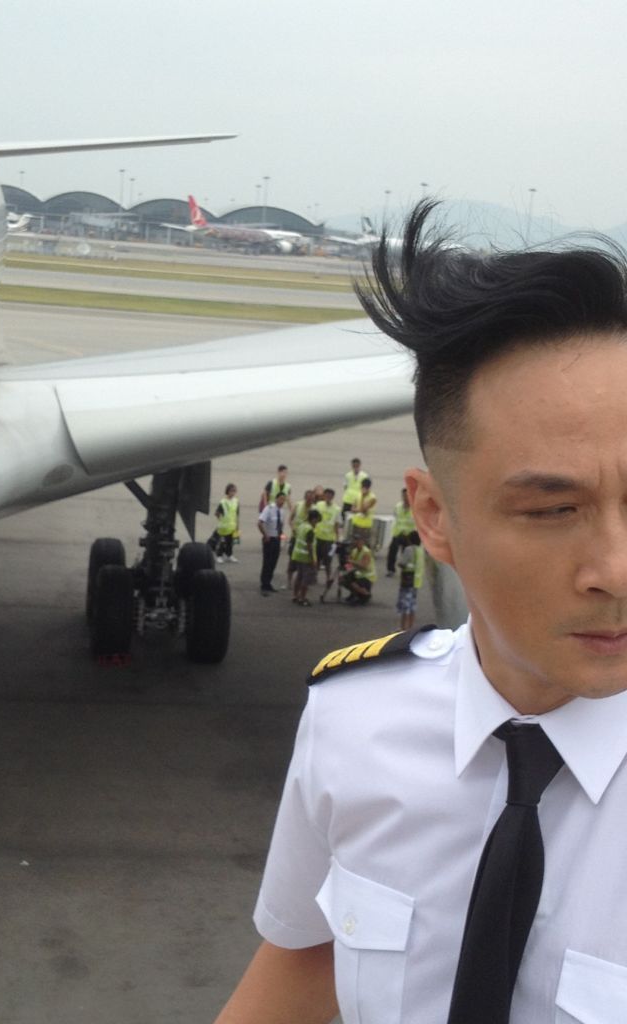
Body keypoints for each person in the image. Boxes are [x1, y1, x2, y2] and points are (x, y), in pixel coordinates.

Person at [212, 199, 627, 1023]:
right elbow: (306, 955)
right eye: (553, 510)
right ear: (433, 518)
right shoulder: (352, 723)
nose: (615, 570)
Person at [314, 487, 342, 602]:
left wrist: (337, 538)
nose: (328, 497)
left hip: (329, 539)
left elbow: (337, 524)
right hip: (318, 536)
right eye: (326, 495)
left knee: (328, 561)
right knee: (316, 559)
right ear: (324, 496)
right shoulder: (318, 505)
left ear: (333, 497)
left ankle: (328, 578)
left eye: (330, 496)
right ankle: (314, 577)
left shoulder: (336, 509)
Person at [257, 491, 287, 595]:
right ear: (276, 499)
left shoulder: (282, 511)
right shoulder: (269, 509)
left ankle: (268, 582)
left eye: (284, 500)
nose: (282, 501)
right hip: (269, 539)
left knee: (273, 562)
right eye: (281, 499)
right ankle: (264, 584)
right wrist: (265, 535)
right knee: (267, 562)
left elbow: (280, 525)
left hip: (277, 539)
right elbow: (260, 523)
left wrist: (281, 535)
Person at [291, 508, 321, 607]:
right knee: (306, 579)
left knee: (299, 576)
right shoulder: (310, 530)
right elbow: (309, 546)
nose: (316, 524)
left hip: (297, 555)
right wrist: (313, 560)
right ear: (313, 519)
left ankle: (295, 596)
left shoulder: (301, 526)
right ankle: (302, 598)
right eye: (317, 521)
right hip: (306, 557)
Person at [396, 529, 425, 629]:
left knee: (405, 606)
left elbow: (402, 563)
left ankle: (403, 628)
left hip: (407, 580)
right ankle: (410, 627)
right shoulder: (420, 551)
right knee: (412, 606)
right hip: (416, 582)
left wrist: (400, 563)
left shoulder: (409, 549)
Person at [386, 485, 416, 576]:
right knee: (392, 551)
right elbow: (396, 518)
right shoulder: (398, 506)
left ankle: (406, 570)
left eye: (407, 496)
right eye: (404, 496)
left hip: (409, 535)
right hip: (398, 533)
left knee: (407, 553)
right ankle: (391, 570)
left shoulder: (414, 508)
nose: (405, 498)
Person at [338, 536, 375, 605]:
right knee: (343, 579)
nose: (356, 542)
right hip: (358, 573)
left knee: (352, 582)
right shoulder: (354, 551)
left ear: (362, 542)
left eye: (358, 540)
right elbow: (349, 565)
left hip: (367, 576)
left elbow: (364, 566)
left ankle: (365, 595)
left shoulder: (366, 552)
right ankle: (354, 594)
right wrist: (345, 565)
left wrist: (351, 561)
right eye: (355, 540)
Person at [348, 475, 377, 546]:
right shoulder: (358, 494)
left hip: (365, 525)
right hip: (356, 523)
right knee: (354, 543)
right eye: (363, 486)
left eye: (366, 487)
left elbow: (363, 510)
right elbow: (352, 509)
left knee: (364, 544)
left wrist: (363, 497)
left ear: (369, 488)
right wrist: (358, 510)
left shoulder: (372, 498)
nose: (363, 489)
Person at [214, 483, 239, 563]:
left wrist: (237, 525)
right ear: (227, 491)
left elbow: (236, 513)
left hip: (232, 526)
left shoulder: (236, 501)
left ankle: (229, 555)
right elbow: (217, 513)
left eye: (234, 491)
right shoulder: (223, 502)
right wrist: (222, 520)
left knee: (230, 542)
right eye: (231, 491)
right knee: (222, 542)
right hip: (224, 527)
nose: (233, 493)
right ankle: (219, 555)